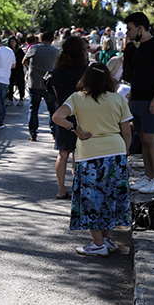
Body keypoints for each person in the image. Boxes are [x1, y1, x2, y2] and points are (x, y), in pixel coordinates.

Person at [52, 63, 132, 257]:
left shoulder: (77, 99)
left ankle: (98, 244)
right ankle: (105, 238)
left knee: (92, 199)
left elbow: (57, 116)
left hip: (89, 154)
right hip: (115, 151)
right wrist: (124, 152)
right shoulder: (118, 99)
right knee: (110, 197)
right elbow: (127, 131)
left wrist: (75, 129)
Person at [124, 12, 154, 194]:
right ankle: (148, 176)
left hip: (151, 101)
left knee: (151, 140)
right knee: (144, 139)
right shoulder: (137, 49)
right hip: (137, 100)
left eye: (129, 29)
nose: (126, 32)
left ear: (140, 28)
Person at [50, 36, 89, 199]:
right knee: (78, 154)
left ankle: (61, 190)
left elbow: (55, 92)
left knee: (62, 153)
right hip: (83, 113)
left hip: (62, 113)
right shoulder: (86, 70)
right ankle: (77, 189)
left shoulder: (57, 71)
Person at [24, 31, 60, 142]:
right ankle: (54, 132)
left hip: (34, 83)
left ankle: (33, 134)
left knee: (33, 109)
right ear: (52, 40)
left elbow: (24, 61)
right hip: (49, 84)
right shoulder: (56, 51)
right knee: (52, 109)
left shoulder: (33, 49)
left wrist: (31, 68)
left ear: (40, 39)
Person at [6, 36, 26, 106]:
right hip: (10, 70)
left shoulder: (20, 51)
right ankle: (10, 98)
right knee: (10, 84)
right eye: (11, 42)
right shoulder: (8, 51)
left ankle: (21, 98)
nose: (12, 43)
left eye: (13, 42)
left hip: (19, 69)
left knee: (20, 84)